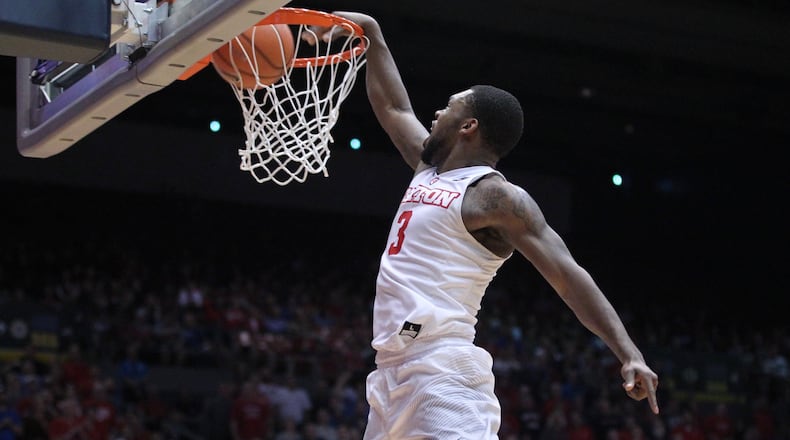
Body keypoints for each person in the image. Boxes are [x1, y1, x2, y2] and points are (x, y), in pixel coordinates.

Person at [306, 11, 659, 439]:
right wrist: (372, 34)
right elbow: (394, 107)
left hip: (443, 374)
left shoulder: (495, 196)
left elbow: (568, 275)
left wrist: (628, 353)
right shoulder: (427, 168)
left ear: (469, 127)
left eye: (449, 107)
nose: (436, 112)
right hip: (390, 377)